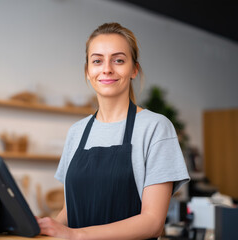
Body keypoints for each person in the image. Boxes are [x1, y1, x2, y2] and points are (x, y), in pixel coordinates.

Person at [37, 22, 190, 240]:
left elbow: (152, 222)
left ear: (134, 70)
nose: (107, 69)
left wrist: (76, 236)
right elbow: (71, 210)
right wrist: (41, 228)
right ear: (88, 71)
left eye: (118, 60)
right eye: (97, 61)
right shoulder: (77, 132)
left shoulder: (155, 127)